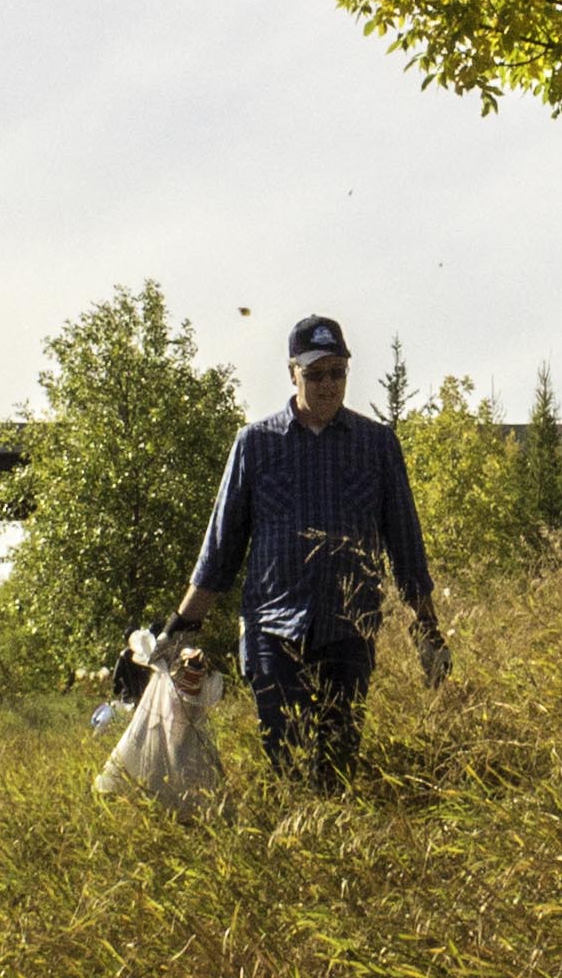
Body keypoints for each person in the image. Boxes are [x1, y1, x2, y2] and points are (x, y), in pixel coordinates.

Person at [167, 316, 447, 789]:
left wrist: (427, 628)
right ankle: (292, 845)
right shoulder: (255, 445)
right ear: (292, 372)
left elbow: (405, 545)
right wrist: (180, 627)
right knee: (288, 760)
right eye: (315, 374)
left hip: (348, 628)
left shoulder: (375, 446)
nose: (327, 385)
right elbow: (221, 548)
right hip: (272, 629)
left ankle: (329, 851)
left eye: (337, 372)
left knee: (337, 766)